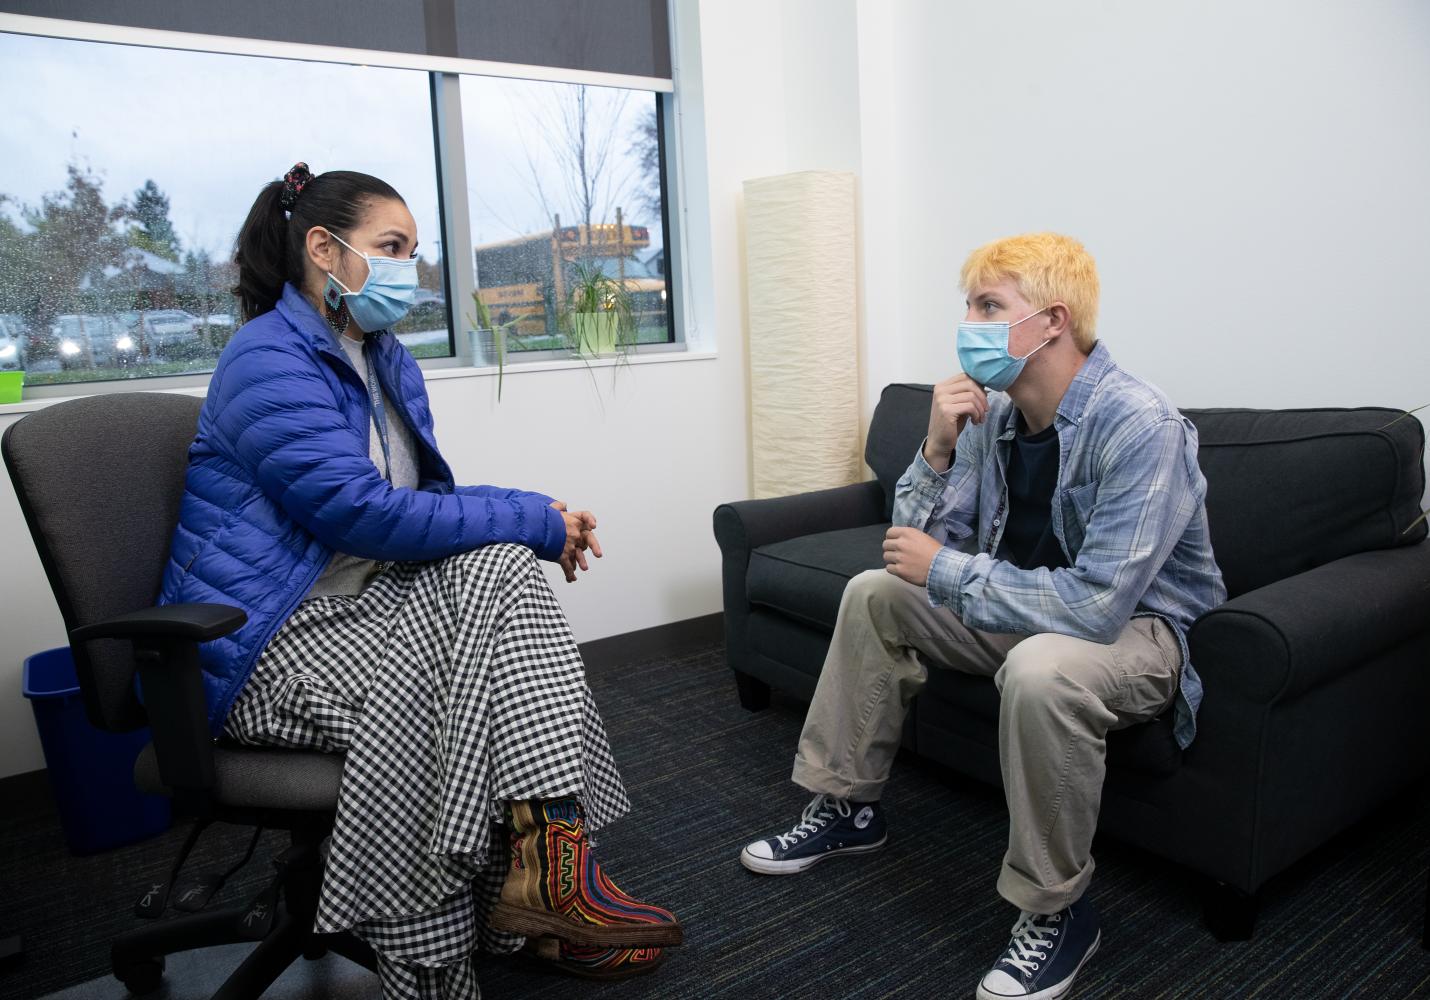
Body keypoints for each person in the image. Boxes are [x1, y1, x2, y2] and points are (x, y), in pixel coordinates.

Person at [158, 162, 681, 998]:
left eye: (412, 249)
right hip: (266, 644)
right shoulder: (268, 360)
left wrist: (535, 511)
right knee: (442, 700)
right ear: (324, 250)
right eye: (392, 247)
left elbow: (426, 503)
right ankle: (461, 945)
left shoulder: (381, 356)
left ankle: (542, 880)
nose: (410, 269)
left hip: (364, 614)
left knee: (503, 567)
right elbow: (363, 515)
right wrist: (536, 521)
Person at [738, 233, 1225, 1000]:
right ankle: (847, 806)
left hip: (1139, 630)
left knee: (1038, 668)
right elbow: (911, 553)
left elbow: (1098, 605)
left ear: (1053, 321)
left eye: (989, 306)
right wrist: (934, 450)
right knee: (874, 592)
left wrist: (954, 572)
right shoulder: (993, 421)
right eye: (968, 305)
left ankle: (1059, 913)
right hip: (1024, 603)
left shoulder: (1140, 425)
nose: (968, 323)